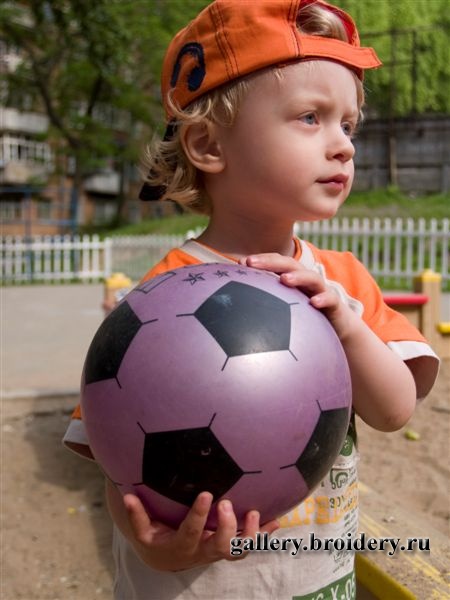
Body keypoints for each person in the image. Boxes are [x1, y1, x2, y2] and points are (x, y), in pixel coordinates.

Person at [64, 1, 440, 598]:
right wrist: (150, 544)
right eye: (311, 117)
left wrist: (345, 323)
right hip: (198, 586)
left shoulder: (342, 279)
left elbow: (395, 411)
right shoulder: (154, 303)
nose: (343, 146)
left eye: (349, 125)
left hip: (319, 581)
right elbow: (119, 461)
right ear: (209, 144)